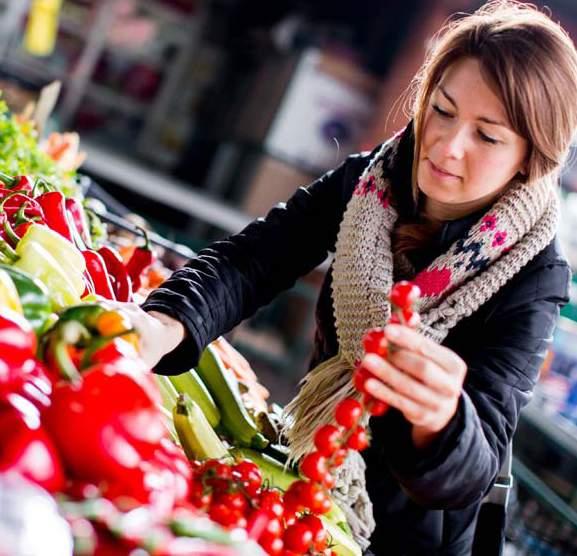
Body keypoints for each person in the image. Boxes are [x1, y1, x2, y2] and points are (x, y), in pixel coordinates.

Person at [118, 1, 577, 554]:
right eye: (443, 109)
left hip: (411, 539)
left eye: (487, 136)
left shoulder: (535, 273)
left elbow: (471, 474)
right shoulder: (370, 184)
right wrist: (161, 326)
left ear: (531, 159)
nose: (447, 146)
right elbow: (253, 260)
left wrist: (443, 418)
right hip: (308, 485)